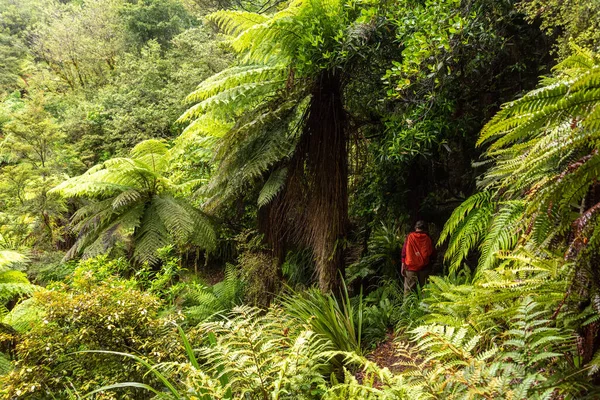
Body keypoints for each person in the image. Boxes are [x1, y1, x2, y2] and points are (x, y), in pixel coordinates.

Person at [401, 220, 434, 296]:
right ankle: (424, 307)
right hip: (424, 268)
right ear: (424, 228)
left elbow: (404, 252)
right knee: (425, 291)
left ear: (416, 228)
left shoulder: (410, 237)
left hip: (410, 267)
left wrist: (403, 264)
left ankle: (407, 307)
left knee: (408, 291)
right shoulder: (427, 238)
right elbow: (431, 252)